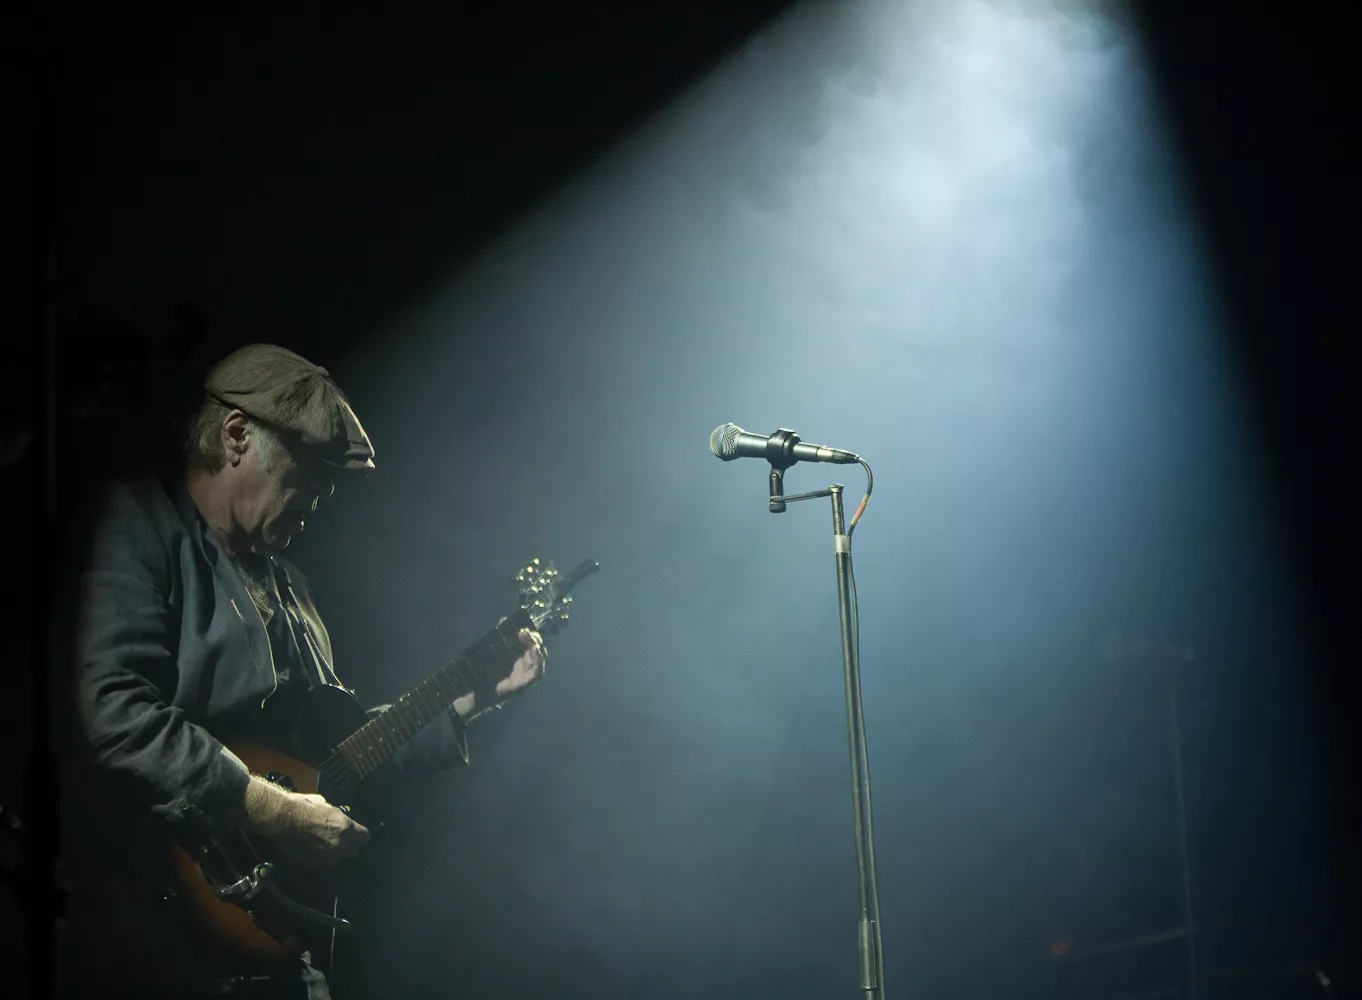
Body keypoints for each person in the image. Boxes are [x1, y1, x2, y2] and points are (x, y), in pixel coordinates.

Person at [55, 344, 547, 998]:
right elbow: (116, 713)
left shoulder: (293, 588)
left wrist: (470, 700)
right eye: (309, 469)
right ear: (236, 436)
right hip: (156, 935)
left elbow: (332, 762)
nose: (322, 495)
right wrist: (271, 809)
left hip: (285, 939)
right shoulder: (139, 522)